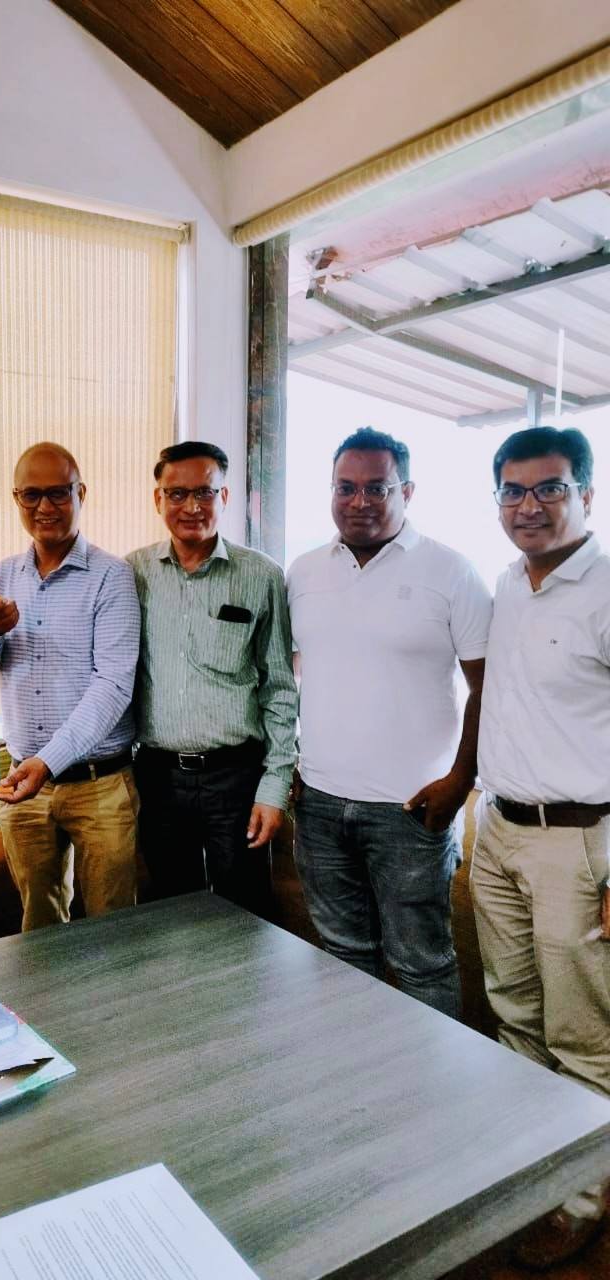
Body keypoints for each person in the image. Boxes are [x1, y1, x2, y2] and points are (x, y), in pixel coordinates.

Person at [286, 426, 491, 1018]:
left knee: (421, 962)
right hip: (319, 804)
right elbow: (293, 677)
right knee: (342, 956)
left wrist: (460, 780)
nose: (360, 501)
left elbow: (488, 688)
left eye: (377, 488)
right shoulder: (303, 571)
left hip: (411, 811)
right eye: (345, 487)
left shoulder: (451, 571)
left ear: (408, 491)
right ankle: (359, 1070)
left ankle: (430, 1079)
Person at [472, 425, 610, 1270]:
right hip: (499, 835)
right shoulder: (508, 584)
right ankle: (527, 1181)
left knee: (582, 1035)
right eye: (513, 491)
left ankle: (582, 1200)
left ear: (586, 494)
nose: (529, 506)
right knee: (514, 1015)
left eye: (549, 488)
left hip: (580, 845)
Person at [127, 441, 297, 916]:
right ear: (158, 499)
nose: (191, 506)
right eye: (177, 494)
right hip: (158, 778)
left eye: (204, 492)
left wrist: (274, 787)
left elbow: (280, 689)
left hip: (236, 778)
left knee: (247, 914)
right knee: (171, 915)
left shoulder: (261, 575)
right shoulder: (132, 574)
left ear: (224, 497)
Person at [0, 442, 141, 931]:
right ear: (16, 498)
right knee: (39, 928)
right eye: (31, 495)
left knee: (111, 928)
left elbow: (113, 686)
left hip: (101, 785)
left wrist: (47, 761)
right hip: (23, 786)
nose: (45, 507)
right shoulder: (3, 576)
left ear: (81, 493)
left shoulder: (113, 577)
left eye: (59, 493)